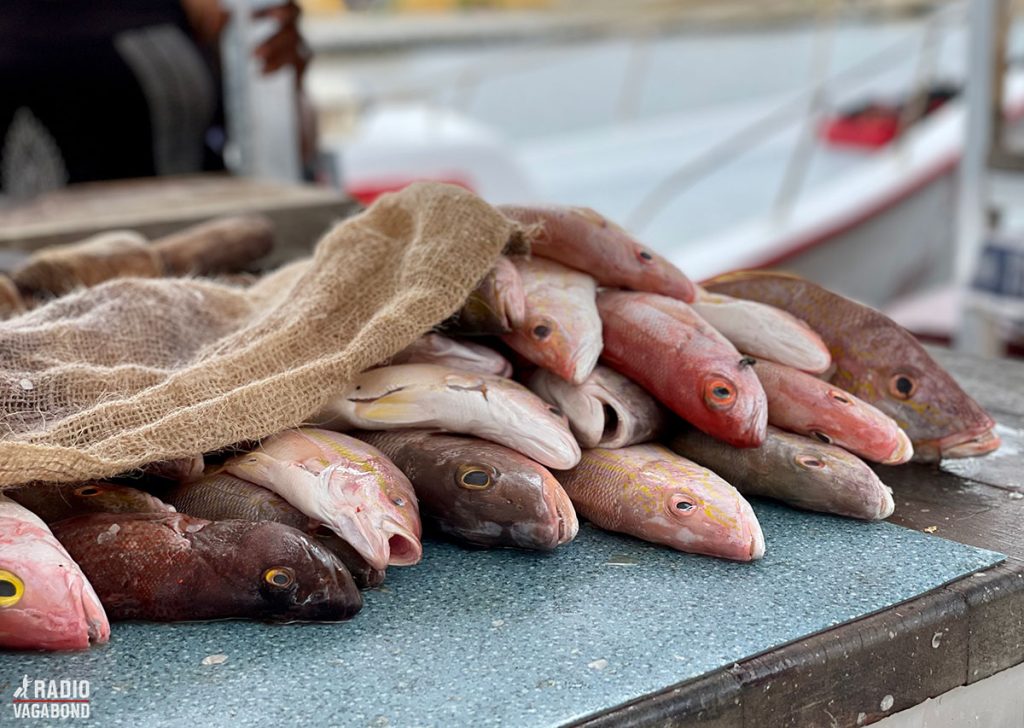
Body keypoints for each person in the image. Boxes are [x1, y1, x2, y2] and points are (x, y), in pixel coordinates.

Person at [0, 0, 313, 202]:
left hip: (205, 270)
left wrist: (284, 82)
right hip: (30, 287)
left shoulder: (194, 9)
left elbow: (293, 154)